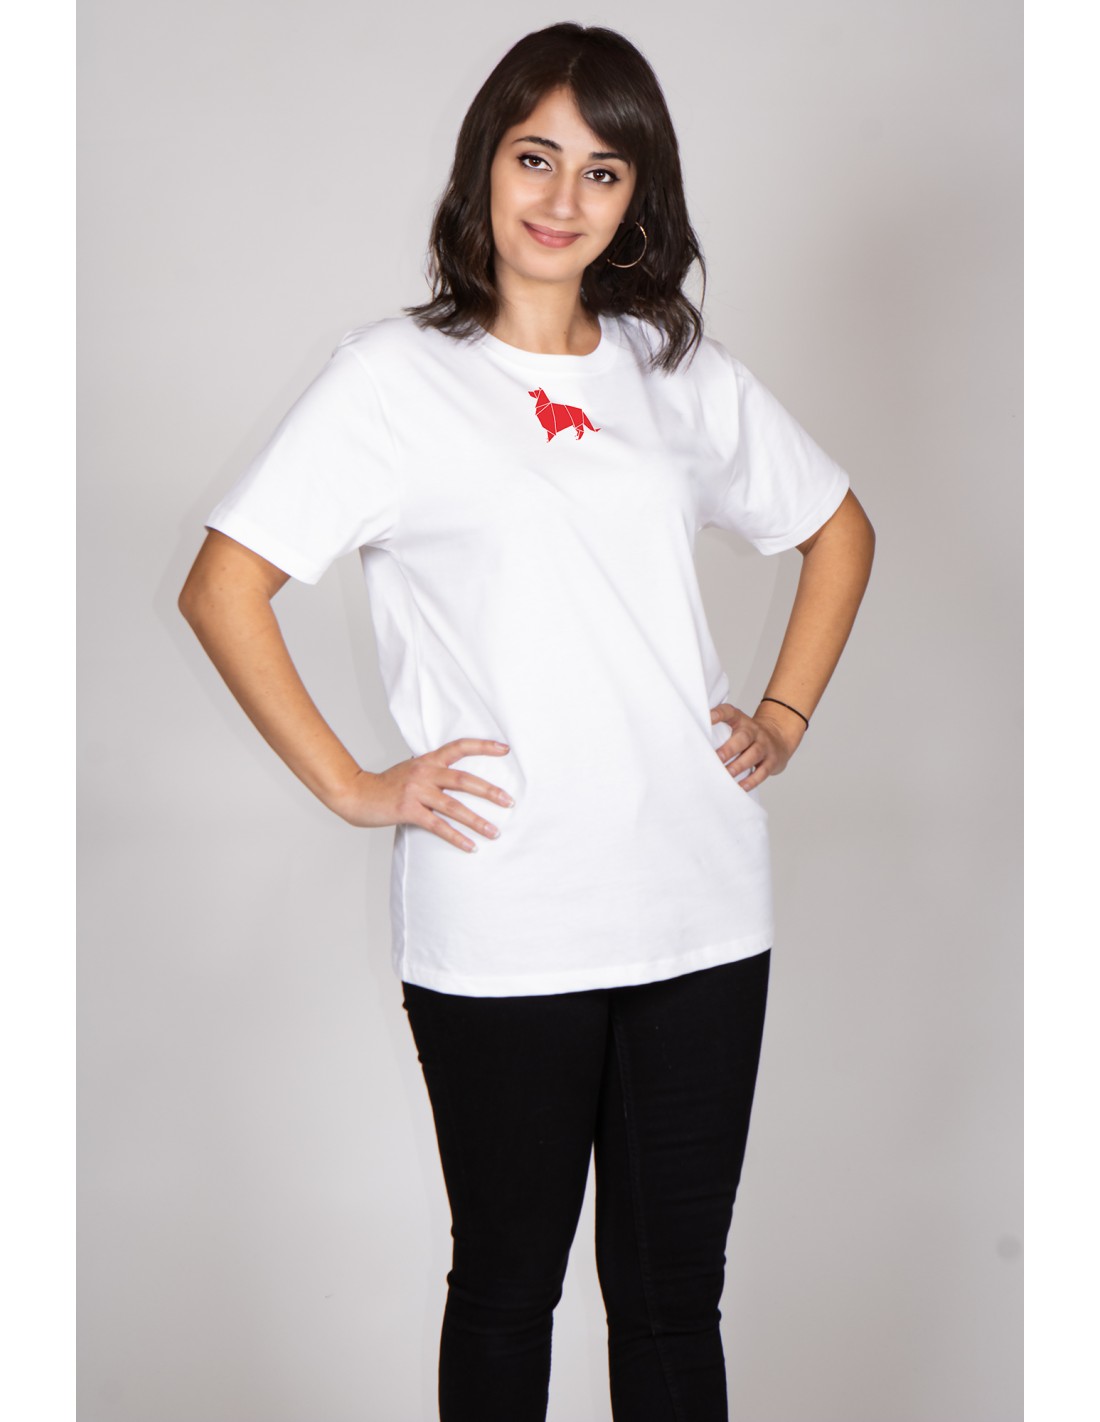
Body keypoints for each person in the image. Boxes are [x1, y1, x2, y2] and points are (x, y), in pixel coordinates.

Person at [179, 21, 875, 1422]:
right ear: (483, 169)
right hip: (505, 914)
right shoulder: (390, 379)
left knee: (673, 1296)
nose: (563, 198)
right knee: (509, 1286)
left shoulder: (675, 370)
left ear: (638, 197)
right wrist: (356, 785)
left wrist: (785, 713)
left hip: (699, 907)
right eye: (536, 157)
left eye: (603, 171)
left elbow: (838, 529)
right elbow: (224, 586)